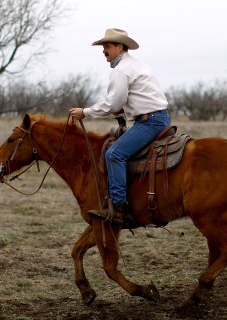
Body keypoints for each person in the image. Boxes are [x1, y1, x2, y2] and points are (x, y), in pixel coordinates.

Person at [70, 28, 170, 226]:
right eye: (103, 47)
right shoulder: (135, 65)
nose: (104, 51)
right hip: (159, 118)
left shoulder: (121, 70)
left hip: (149, 122)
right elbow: (134, 98)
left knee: (114, 154)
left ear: (120, 47)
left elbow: (113, 103)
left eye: (107, 46)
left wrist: (86, 112)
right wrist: (124, 109)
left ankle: (118, 207)